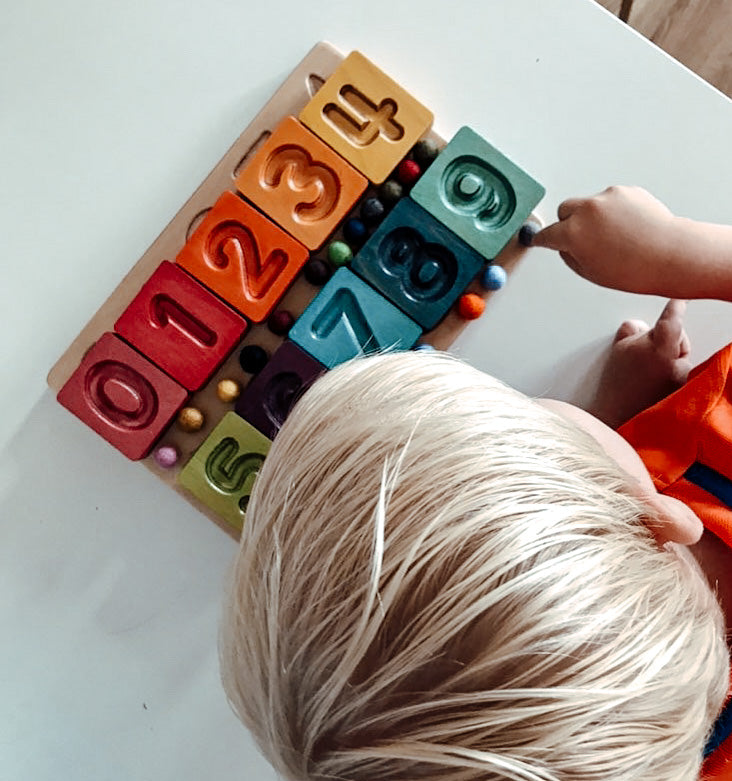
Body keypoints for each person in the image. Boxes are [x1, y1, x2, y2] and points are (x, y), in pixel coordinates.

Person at [220, 186, 732, 781]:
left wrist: (615, 412)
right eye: (541, 418)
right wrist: (679, 254)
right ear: (649, 515)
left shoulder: (628, 737)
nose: (548, 405)